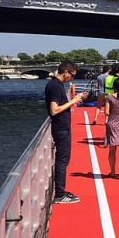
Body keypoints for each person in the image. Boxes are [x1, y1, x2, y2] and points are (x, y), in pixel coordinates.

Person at [46, 62, 88, 203]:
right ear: (65, 71)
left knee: (64, 160)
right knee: (62, 160)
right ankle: (59, 194)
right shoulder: (56, 86)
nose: (72, 78)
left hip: (62, 127)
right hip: (60, 128)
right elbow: (54, 110)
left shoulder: (56, 85)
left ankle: (61, 191)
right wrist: (74, 100)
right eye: (72, 75)